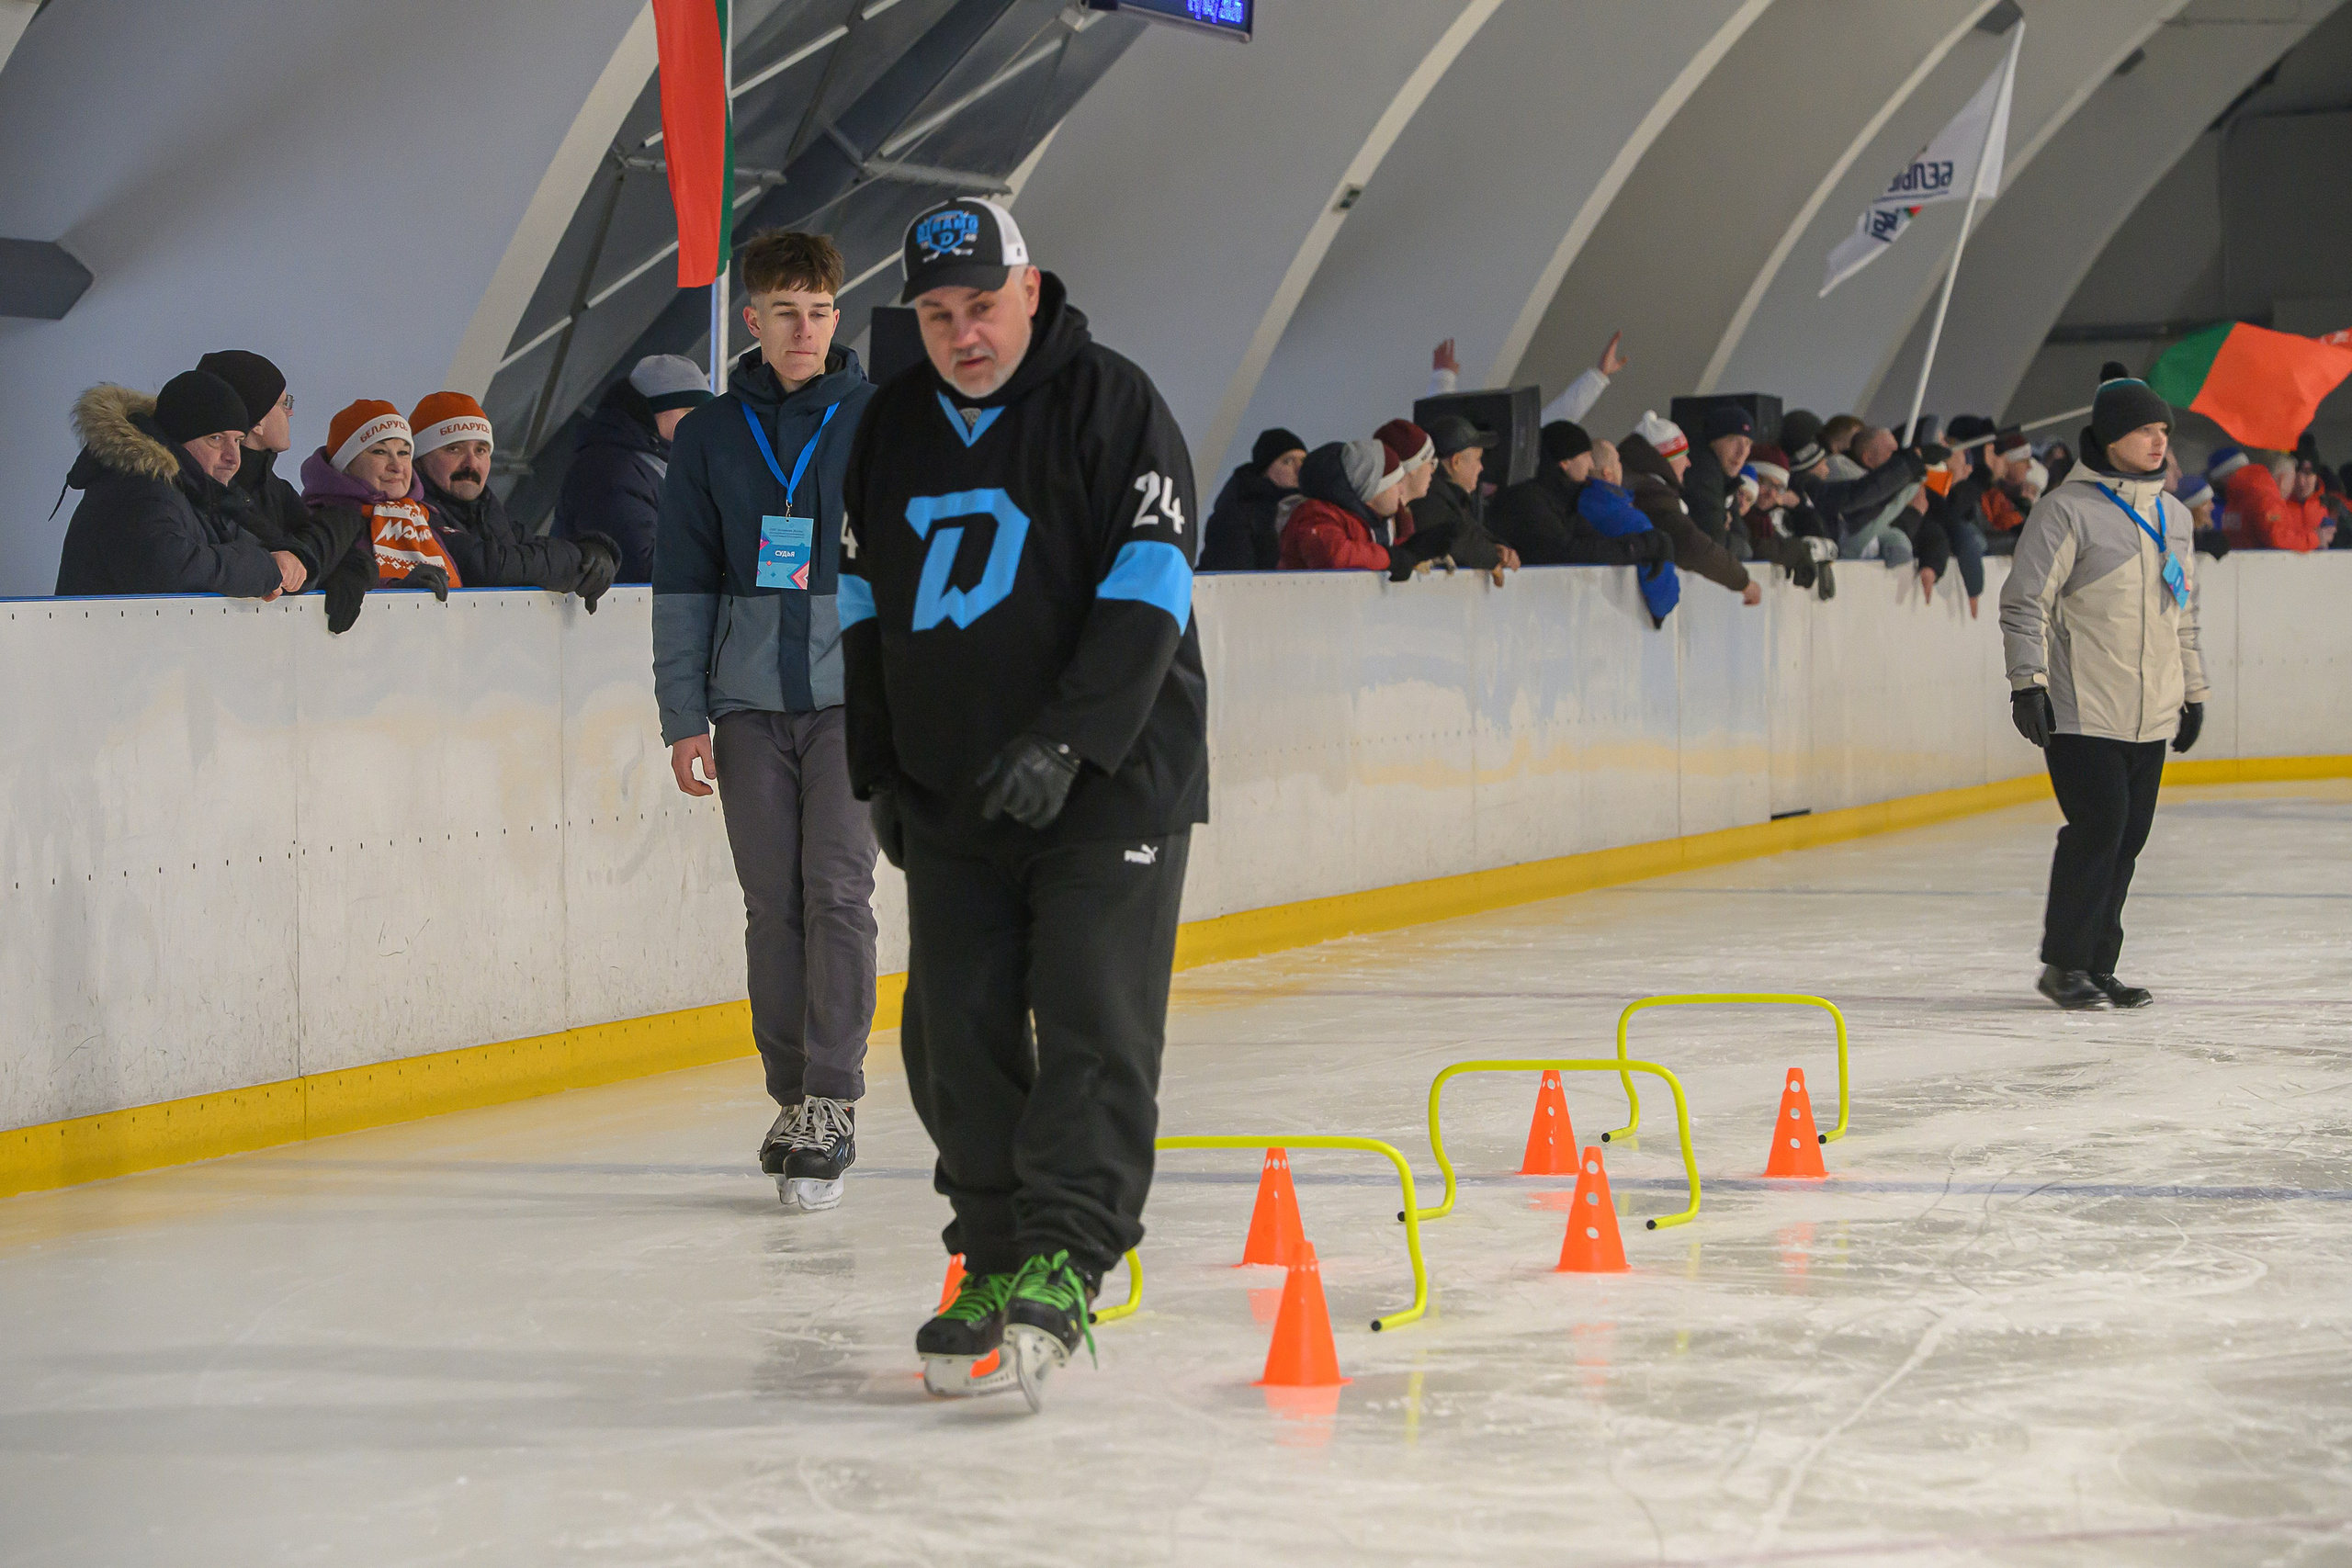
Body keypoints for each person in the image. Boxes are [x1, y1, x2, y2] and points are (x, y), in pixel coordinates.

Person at [840, 197, 1206, 1411]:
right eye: (939, 316)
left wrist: (1071, 737)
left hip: (1111, 775)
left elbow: (1151, 579)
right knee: (956, 1025)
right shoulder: (889, 425)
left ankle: (1069, 1245)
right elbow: (860, 607)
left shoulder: (1114, 403)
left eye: (983, 307)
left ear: (1031, 290)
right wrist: (880, 767)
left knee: (1092, 1003)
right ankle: (991, 1256)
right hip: (953, 783)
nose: (964, 335)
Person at [650, 230, 880, 1213]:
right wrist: (681, 713)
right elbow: (683, 578)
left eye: (820, 311)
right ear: (752, 319)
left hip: (852, 700)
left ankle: (832, 1095)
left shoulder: (877, 418)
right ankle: (791, 1096)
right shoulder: (708, 434)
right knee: (770, 908)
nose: (805, 328)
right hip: (744, 705)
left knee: (837, 892)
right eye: (786, 311)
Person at [2000, 369, 2206, 1010]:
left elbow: (2183, 612)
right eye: (2146, 428)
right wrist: (2027, 683)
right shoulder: (2066, 510)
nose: (2158, 441)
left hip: (2150, 712)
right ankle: (2064, 965)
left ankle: (2097, 964)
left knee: (2129, 836)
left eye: (2164, 430)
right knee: (2099, 827)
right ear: (2113, 435)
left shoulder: (2173, 515)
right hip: (2083, 706)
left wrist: (2192, 692)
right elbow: (2024, 602)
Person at [53, 370, 306, 599]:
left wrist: (284, 562)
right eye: (216, 439)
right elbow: (172, 568)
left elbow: (254, 548)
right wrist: (264, 568)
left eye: (238, 441)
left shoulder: (196, 492)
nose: (233, 458)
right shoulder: (139, 488)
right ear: (178, 440)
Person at [198, 350, 372, 632]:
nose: (291, 411)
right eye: (283, 403)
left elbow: (344, 554)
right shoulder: (220, 486)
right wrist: (344, 521)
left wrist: (349, 571)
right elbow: (291, 566)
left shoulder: (274, 487)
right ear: (256, 423)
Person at [410, 392, 620, 607]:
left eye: (481, 450)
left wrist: (596, 549)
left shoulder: (488, 514)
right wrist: (581, 562)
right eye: (453, 449)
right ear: (418, 461)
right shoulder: (411, 515)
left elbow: (535, 548)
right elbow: (489, 569)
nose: (471, 464)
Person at [556, 354, 713, 581]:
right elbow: (642, 567)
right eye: (690, 412)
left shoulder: (660, 467)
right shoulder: (611, 471)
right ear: (655, 410)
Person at [300, 401, 458, 598]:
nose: (397, 466)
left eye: (403, 453)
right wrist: (398, 591)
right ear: (346, 464)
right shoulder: (318, 519)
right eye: (380, 452)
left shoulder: (424, 517)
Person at [1620, 414, 1758, 601]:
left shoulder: (1642, 484)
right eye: (1683, 456)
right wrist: (1743, 582)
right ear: (1668, 457)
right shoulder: (1651, 493)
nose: (1688, 463)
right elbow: (1691, 545)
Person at [1402, 414, 1517, 582]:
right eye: (1478, 459)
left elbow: (1472, 533)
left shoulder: (1451, 496)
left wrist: (1498, 548)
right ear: (1456, 462)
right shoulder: (1430, 495)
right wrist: (1493, 556)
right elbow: (1453, 540)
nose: (1481, 467)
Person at [1430, 329, 1628, 425]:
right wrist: (1443, 377)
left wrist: (1600, 376)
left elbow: (1557, 419)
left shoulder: (1521, 447)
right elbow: (1445, 432)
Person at [1581, 439, 1679, 626]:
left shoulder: (1569, 508)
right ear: (1607, 474)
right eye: (1617, 461)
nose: (1622, 466)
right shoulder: (1631, 520)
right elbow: (1662, 600)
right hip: (1618, 626)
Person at [1278, 438, 1413, 571]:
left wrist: (1414, 550)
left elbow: (1370, 552)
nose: (1401, 490)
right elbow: (1334, 556)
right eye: (1396, 482)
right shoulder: (1316, 515)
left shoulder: (1366, 521)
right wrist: (1389, 558)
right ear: (1373, 487)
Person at [1200, 426, 1304, 572]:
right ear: (1265, 471)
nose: (1299, 468)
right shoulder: (1237, 515)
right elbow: (1234, 578)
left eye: (1304, 460)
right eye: (1288, 461)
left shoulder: (1310, 510)